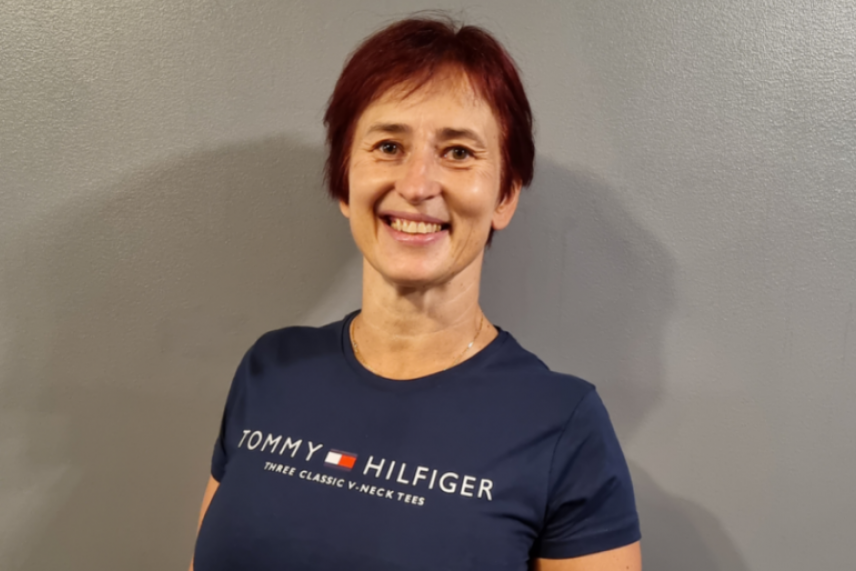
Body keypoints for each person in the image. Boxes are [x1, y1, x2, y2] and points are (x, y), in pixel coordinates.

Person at [190, 15, 641, 571]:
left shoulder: (563, 426)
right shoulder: (270, 370)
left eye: (458, 152)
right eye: (388, 146)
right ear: (344, 181)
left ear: (504, 196)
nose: (416, 185)